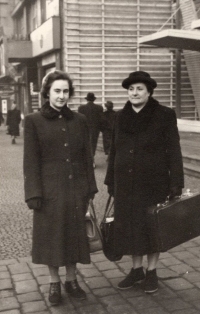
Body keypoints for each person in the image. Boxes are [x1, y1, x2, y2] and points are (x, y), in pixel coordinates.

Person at [104, 71, 184, 294]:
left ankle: (152, 271)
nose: (135, 93)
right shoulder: (120, 116)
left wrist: (176, 182)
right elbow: (114, 149)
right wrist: (111, 179)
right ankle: (136, 269)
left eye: (139, 89)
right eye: (131, 89)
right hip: (125, 183)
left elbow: (174, 150)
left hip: (153, 183)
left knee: (151, 228)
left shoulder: (164, 115)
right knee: (129, 228)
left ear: (149, 91)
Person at [23, 70, 98, 305]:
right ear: (47, 93)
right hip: (49, 192)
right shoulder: (33, 121)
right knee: (52, 238)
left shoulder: (80, 120)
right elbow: (31, 161)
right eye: (57, 91)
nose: (62, 96)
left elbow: (87, 157)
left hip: (76, 189)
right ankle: (54, 282)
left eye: (66, 91)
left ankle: (72, 280)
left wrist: (89, 188)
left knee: (75, 235)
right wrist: (34, 193)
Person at [78, 92, 103, 166]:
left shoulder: (81, 108)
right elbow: (101, 119)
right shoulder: (99, 108)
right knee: (93, 144)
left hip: (84, 129)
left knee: (85, 144)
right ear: (93, 99)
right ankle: (92, 160)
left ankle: (86, 160)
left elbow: (80, 120)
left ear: (87, 99)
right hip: (95, 129)